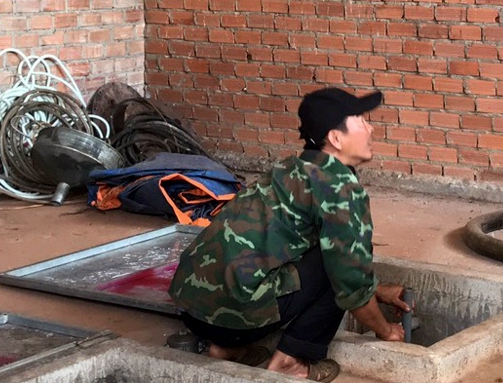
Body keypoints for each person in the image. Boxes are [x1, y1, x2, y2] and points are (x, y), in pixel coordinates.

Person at [168, 87, 409, 382]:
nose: (371, 128)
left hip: (190, 307)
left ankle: (225, 351)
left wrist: (377, 289)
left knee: (330, 254)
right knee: (337, 263)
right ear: (335, 138)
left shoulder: (290, 168)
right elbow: (351, 285)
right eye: (361, 120)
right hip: (232, 321)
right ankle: (290, 361)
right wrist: (386, 330)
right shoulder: (340, 191)